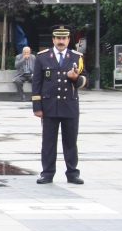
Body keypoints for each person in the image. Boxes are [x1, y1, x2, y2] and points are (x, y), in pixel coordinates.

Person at [32, 25, 88, 185]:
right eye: (58, 38)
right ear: (53, 39)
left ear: (69, 40)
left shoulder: (76, 57)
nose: (61, 41)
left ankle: (72, 173)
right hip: (49, 106)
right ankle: (47, 173)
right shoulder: (42, 57)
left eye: (64, 38)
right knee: (48, 142)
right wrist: (37, 106)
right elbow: (37, 83)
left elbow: (86, 80)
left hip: (69, 105)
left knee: (70, 141)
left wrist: (76, 78)